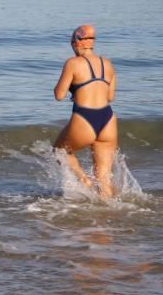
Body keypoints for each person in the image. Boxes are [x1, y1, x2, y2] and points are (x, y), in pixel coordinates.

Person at [53, 24, 118, 199]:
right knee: (103, 177)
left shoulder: (72, 63)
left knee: (60, 152)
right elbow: (110, 97)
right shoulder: (108, 63)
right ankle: (109, 214)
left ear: (76, 42)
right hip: (108, 118)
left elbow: (59, 95)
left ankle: (85, 181)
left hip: (85, 117)